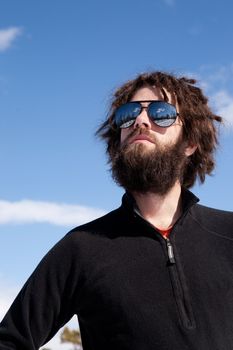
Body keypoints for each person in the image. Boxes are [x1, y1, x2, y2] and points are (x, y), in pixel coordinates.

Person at [0, 70, 232, 350]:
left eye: (161, 113)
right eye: (128, 114)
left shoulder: (227, 233)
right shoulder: (81, 249)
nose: (141, 121)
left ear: (190, 144)